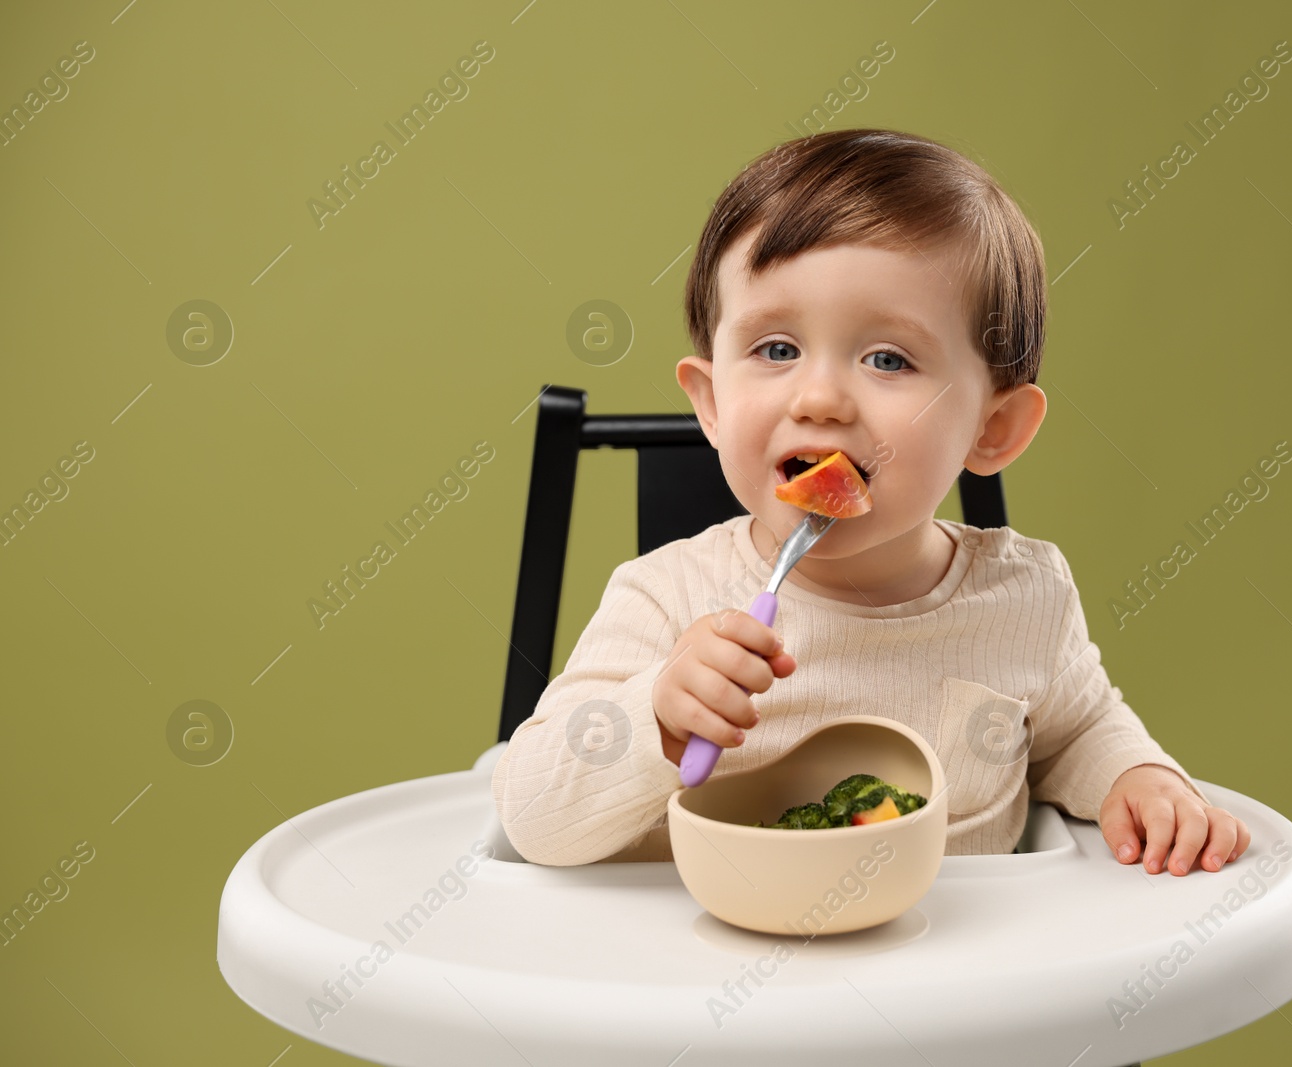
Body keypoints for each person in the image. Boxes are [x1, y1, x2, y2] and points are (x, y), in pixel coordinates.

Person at [493, 128, 1251, 873]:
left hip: (947, 985)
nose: (820, 397)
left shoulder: (1027, 598)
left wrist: (1139, 779)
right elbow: (529, 816)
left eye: (888, 359)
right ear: (712, 401)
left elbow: (1080, 730)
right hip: (703, 981)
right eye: (777, 349)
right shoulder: (662, 599)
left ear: (992, 428)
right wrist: (654, 713)